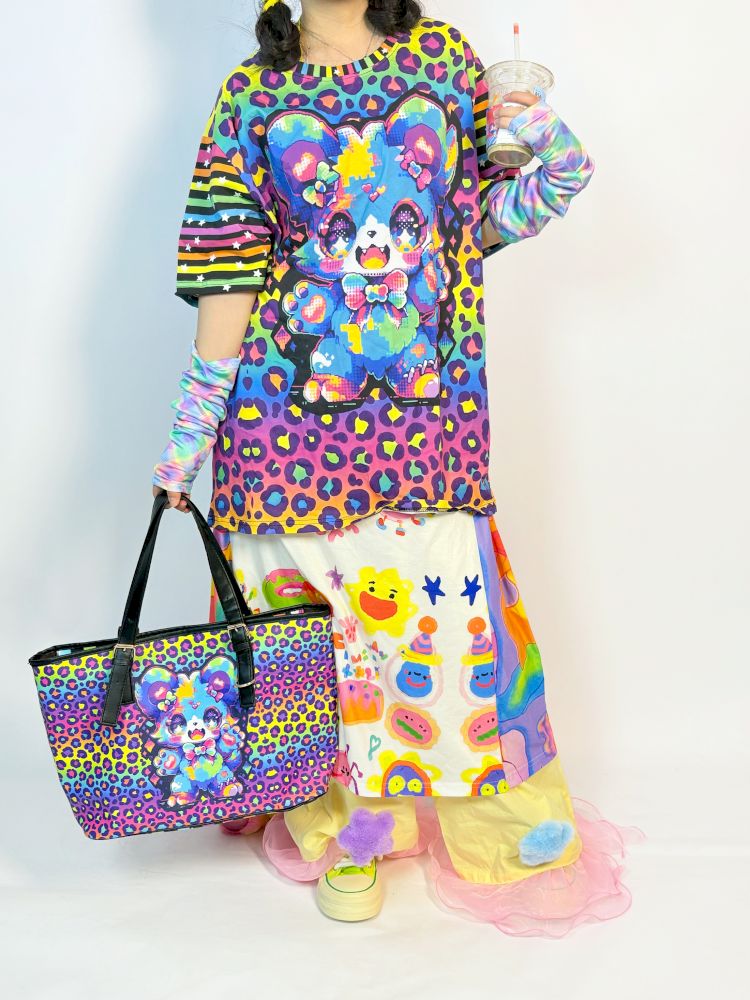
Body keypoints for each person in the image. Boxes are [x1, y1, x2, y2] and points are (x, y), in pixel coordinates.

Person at [152, 0, 639, 935]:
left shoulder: (443, 60)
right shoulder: (251, 95)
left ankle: (505, 833)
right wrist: (189, 436)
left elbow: (482, 221)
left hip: (427, 431)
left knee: (446, 639)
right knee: (308, 653)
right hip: (280, 439)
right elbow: (227, 276)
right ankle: (348, 835)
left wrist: (553, 146)